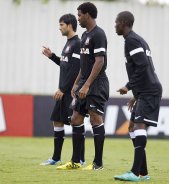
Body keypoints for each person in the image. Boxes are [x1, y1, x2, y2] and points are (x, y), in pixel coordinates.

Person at [57, 2, 109, 170]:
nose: (78, 18)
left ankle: (98, 164)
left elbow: (99, 62)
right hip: (84, 83)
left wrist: (86, 85)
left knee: (95, 119)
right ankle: (76, 161)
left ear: (87, 14)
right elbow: (84, 64)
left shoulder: (98, 34)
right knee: (75, 119)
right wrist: (76, 83)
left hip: (96, 83)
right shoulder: (85, 36)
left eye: (79, 15)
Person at [113, 11, 162, 181]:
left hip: (149, 90)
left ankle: (134, 173)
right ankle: (144, 172)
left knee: (139, 127)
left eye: (117, 22)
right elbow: (147, 68)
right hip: (145, 90)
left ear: (124, 23)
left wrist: (128, 86)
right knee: (132, 126)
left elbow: (142, 67)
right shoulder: (138, 40)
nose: (115, 25)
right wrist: (136, 94)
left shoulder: (132, 41)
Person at [40, 14, 85, 166]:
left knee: (76, 122)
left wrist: (62, 88)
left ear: (70, 25)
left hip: (71, 92)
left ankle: (80, 158)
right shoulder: (68, 44)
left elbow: (76, 70)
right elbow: (66, 65)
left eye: (61, 25)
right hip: (64, 91)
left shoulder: (77, 43)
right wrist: (52, 56)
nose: (59, 28)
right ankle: (56, 157)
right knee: (57, 121)